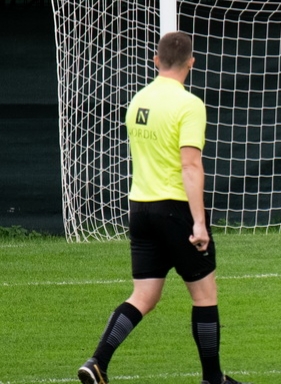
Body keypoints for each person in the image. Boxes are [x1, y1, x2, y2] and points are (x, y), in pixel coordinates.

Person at [78, 32, 245, 384]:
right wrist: (199, 223)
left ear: (156, 60)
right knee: (204, 295)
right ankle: (213, 380)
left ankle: (97, 362)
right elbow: (190, 166)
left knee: (144, 295)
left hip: (140, 209)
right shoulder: (189, 104)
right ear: (191, 63)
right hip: (175, 210)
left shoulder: (138, 101)